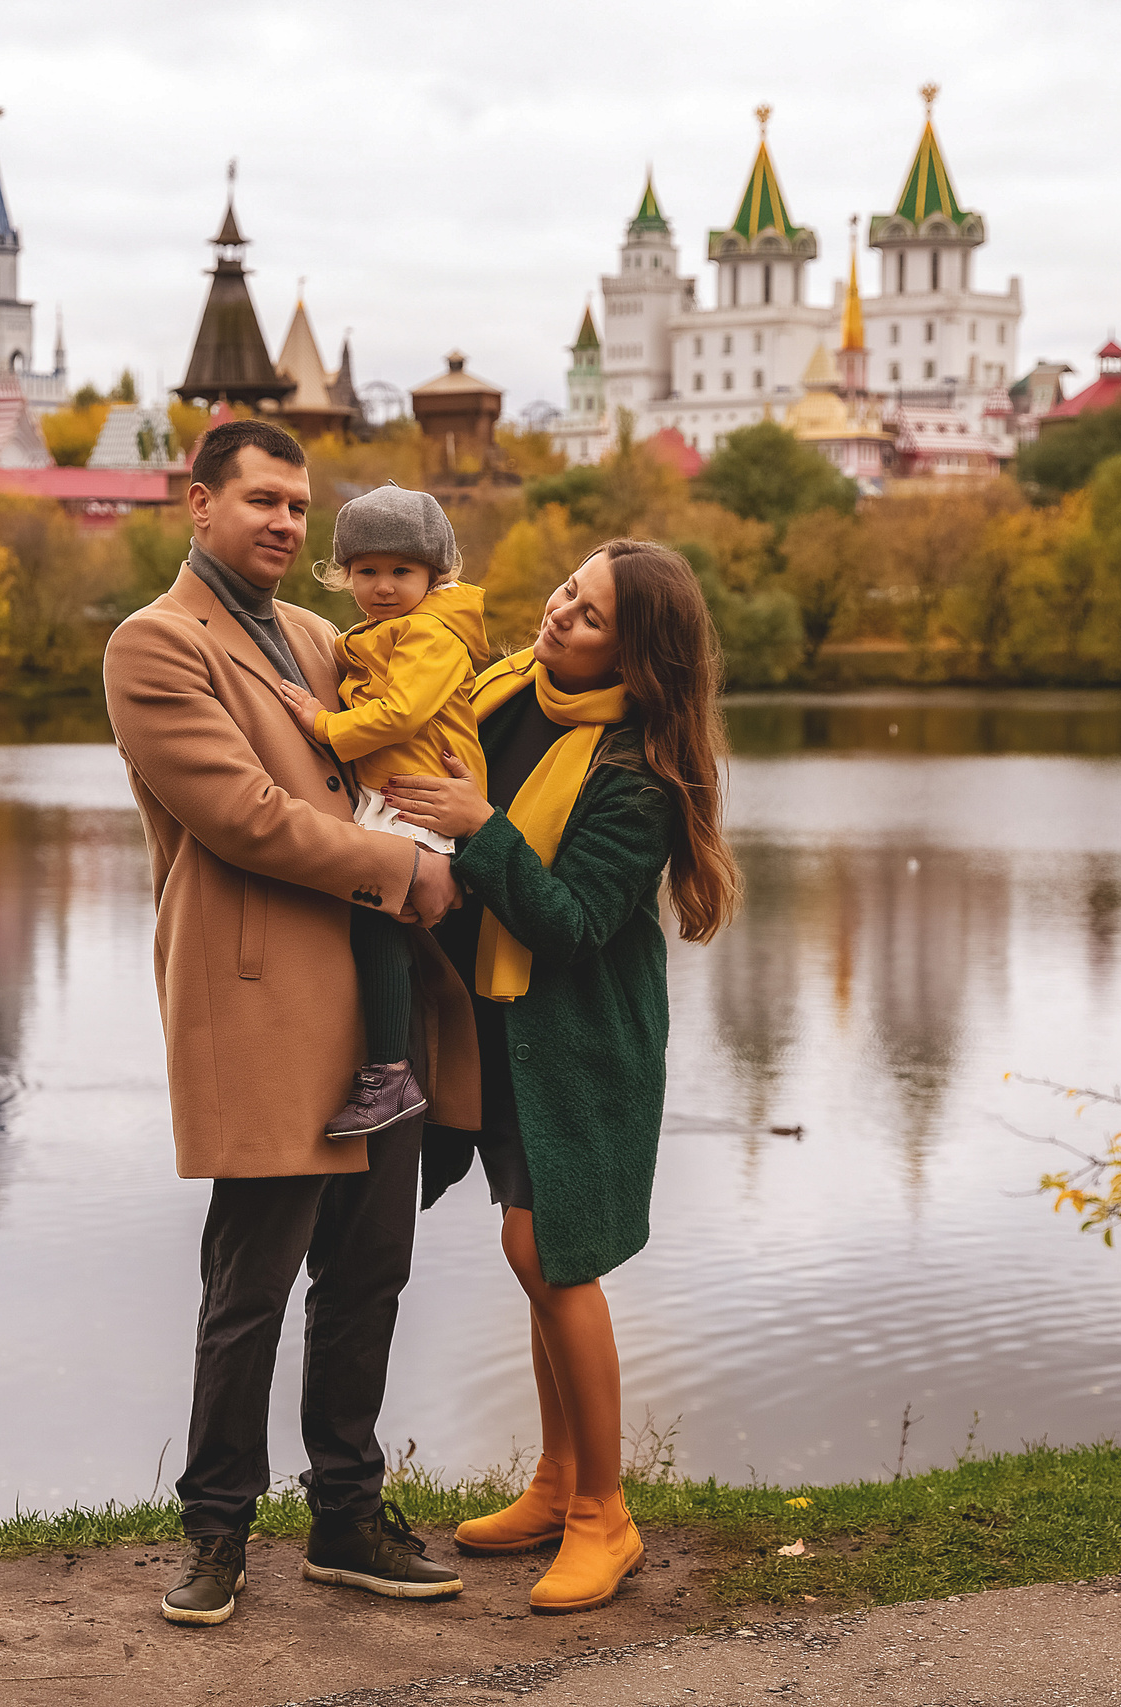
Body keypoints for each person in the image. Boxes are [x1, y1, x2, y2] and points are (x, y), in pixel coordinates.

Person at [101, 419, 480, 1628]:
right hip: (264, 998)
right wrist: (403, 869)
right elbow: (246, 815)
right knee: (248, 1283)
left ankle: (346, 1519)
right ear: (196, 504)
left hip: (379, 1003)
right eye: (259, 499)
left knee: (370, 1270)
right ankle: (214, 1532)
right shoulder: (156, 646)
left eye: (296, 506)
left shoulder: (325, 636)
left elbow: (417, 725)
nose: (282, 523)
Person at [381, 538, 741, 1616]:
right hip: (490, 1023)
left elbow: (575, 923)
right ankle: (553, 1484)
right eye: (565, 594)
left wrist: (481, 831)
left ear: (637, 660)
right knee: (528, 1249)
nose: (558, 618)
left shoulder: (639, 774)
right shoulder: (497, 691)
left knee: (555, 1252)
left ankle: (604, 1516)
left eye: (588, 619)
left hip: (577, 1038)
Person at [270, 484, 490, 1140]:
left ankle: (391, 1071)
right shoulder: (379, 634)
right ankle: (385, 1059)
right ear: (344, 575)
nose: (384, 585)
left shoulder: (433, 634)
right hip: (391, 797)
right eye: (367, 571)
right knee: (372, 921)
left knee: (376, 921)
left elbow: (401, 715)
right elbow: (355, 662)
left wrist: (323, 727)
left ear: (435, 574)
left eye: (402, 571)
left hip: (421, 800)